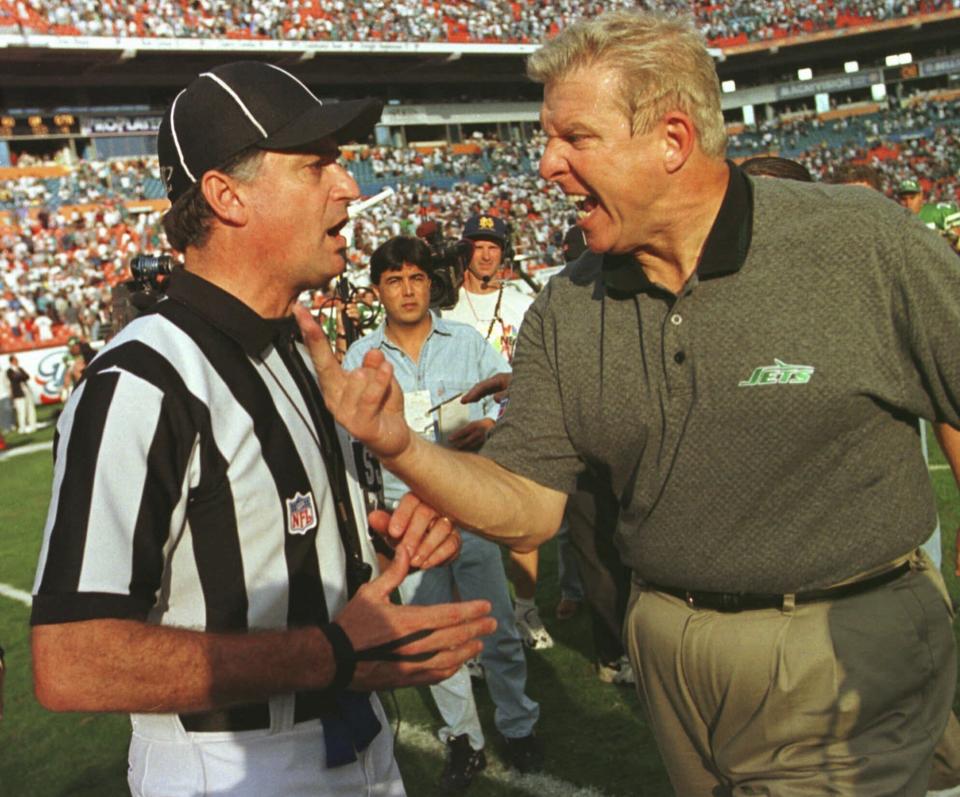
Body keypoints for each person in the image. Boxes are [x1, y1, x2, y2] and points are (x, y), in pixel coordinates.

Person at [296, 10, 960, 795]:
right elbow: (530, 505)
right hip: (667, 655)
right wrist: (402, 447)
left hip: (838, 644)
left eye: (575, 138)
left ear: (673, 140)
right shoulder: (568, 306)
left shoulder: (858, 243)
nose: (546, 165)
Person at [30, 61, 495, 797]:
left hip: (357, 738)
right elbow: (72, 659)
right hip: (234, 766)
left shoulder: (297, 351)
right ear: (225, 195)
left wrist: (382, 542)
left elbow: (277, 538)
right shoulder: (142, 381)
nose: (349, 186)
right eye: (317, 166)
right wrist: (330, 652)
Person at [344, 236, 542, 793]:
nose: (406, 291)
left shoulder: (468, 341)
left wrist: (495, 428)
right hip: (405, 523)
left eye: (416, 278)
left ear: (431, 283)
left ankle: (518, 722)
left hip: (468, 509)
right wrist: (371, 521)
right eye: (393, 280)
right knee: (432, 638)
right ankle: (464, 738)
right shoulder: (360, 358)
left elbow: (515, 397)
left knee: (496, 625)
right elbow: (348, 447)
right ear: (377, 290)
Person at [443, 213, 552, 651]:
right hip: (464, 424)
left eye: (494, 245)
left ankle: (525, 610)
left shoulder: (521, 301)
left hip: (512, 420)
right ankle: (469, 627)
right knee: (460, 529)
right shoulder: (447, 303)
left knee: (521, 524)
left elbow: (535, 366)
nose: (486, 253)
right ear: (464, 250)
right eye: (478, 244)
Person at [6, 355, 36, 434]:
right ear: (12, 361)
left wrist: (20, 375)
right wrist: (20, 376)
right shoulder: (9, 371)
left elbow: (27, 376)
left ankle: (32, 425)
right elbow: (14, 378)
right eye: (15, 360)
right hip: (18, 393)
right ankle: (22, 427)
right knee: (21, 411)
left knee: (30, 408)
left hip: (26, 391)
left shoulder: (20, 369)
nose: (17, 362)